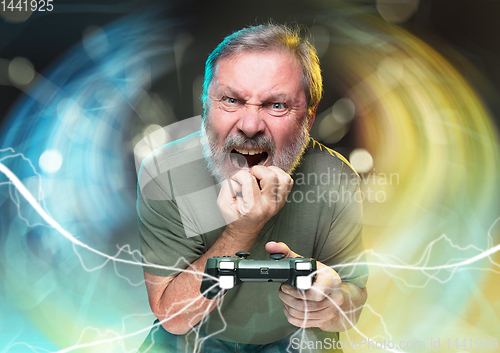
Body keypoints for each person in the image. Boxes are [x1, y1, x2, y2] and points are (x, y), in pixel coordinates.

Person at [137, 23, 368, 352]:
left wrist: (332, 306)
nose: (249, 126)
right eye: (231, 100)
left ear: (309, 118)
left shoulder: (336, 178)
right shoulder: (164, 171)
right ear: (206, 106)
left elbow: (354, 298)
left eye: (276, 105)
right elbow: (173, 318)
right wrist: (239, 232)